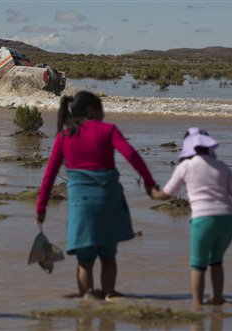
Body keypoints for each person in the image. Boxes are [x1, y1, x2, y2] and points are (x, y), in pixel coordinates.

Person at [35, 91, 157, 300]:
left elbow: (49, 175)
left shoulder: (64, 136)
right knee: (108, 257)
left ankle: (88, 297)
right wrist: (149, 184)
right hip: (108, 201)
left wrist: (41, 208)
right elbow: (131, 155)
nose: (104, 112)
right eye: (101, 107)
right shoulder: (108, 130)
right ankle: (109, 293)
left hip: (80, 206)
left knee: (85, 261)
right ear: (92, 109)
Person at [150, 127, 232, 307]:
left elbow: (167, 194)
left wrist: (153, 193)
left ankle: (197, 304)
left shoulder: (185, 167)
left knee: (198, 264)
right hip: (226, 219)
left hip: (203, 219)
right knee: (216, 261)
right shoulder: (222, 166)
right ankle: (217, 298)